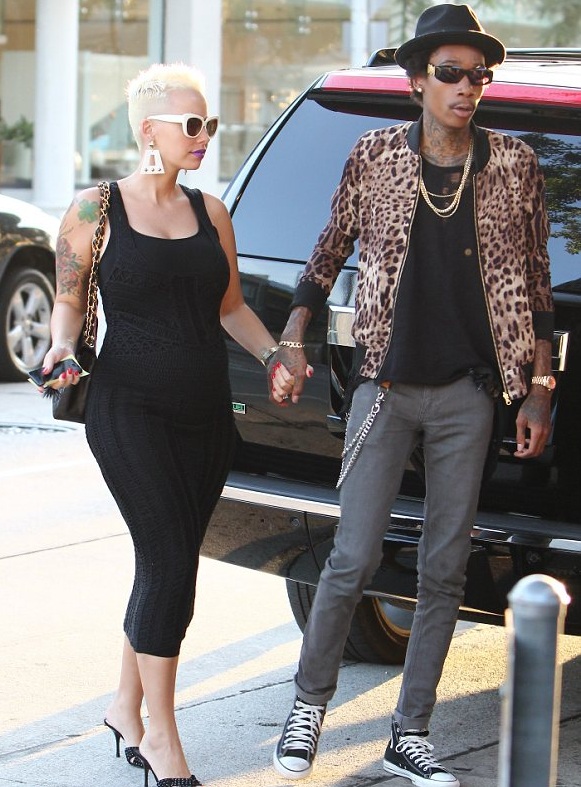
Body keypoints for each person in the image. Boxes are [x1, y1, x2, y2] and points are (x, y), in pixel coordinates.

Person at [269, 5, 554, 786]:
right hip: (385, 388)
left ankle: (410, 730)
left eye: (477, 76)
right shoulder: (372, 155)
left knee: (444, 569)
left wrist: (537, 389)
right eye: (450, 73)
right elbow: (327, 250)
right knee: (351, 556)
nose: (466, 87)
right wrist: (292, 336)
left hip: (469, 395)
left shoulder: (514, 163)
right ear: (417, 81)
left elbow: (534, 283)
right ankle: (307, 706)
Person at [41, 63, 283, 787]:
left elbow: (230, 306)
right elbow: (67, 298)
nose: (204, 135)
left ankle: (124, 706)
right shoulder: (96, 209)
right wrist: (60, 347)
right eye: (191, 124)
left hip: (205, 415)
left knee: (165, 564)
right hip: (129, 412)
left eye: (210, 123)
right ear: (148, 130)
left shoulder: (212, 212)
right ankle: (163, 741)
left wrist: (275, 355)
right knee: (171, 561)